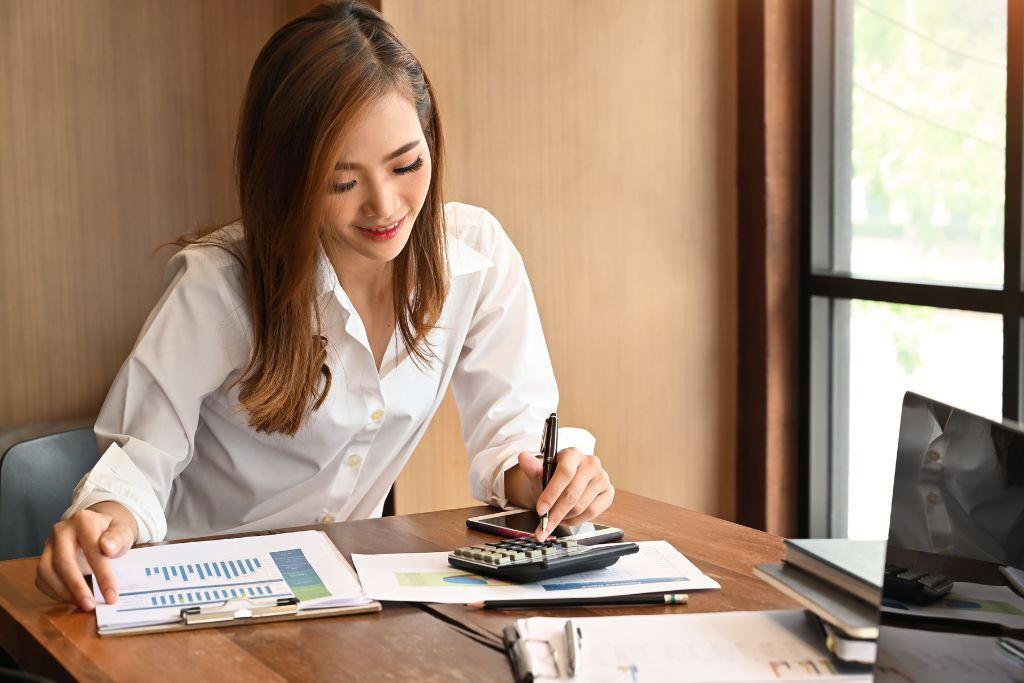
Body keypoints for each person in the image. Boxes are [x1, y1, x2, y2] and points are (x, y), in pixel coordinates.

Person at [34, 1, 614, 613]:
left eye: (407, 164)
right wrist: (104, 518)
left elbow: (513, 439)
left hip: (342, 595)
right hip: (202, 598)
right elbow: (140, 458)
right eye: (343, 182)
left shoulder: (475, 257)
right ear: (289, 179)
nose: (385, 205)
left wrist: (549, 480)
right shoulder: (223, 285)